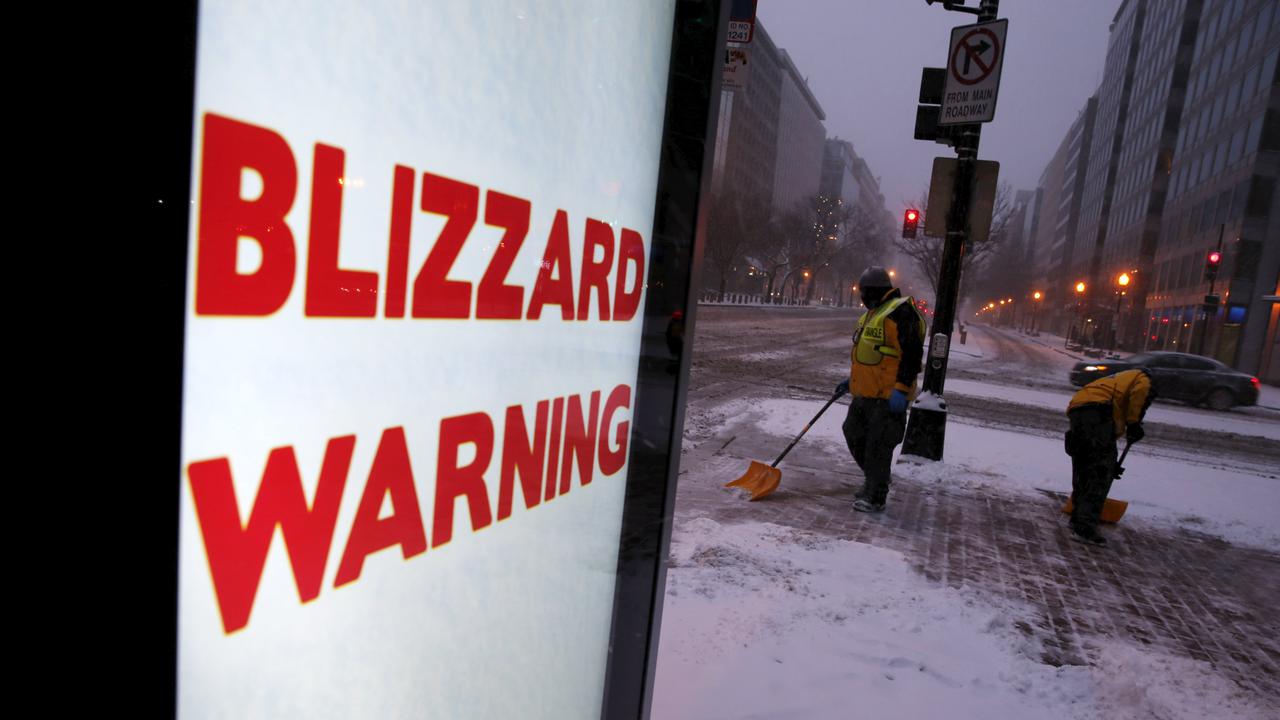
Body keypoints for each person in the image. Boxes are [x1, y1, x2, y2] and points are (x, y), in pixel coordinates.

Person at [836, 266, 925, 513]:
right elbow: (870, 355)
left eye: (863, 291)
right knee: (853, 433)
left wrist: (901, 388)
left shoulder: (901, 312)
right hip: (864, 394)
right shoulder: (873, 314)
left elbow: (912, 355)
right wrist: (851, 381)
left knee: (878, 445)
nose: (861, 296)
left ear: (873, 291)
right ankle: (876, 478)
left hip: (888, 397)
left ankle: (875, 496)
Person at [1064, 367, 1154, 546]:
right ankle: (1085, 528)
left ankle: (1077, 518)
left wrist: (1110, 463)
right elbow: (1139, 395)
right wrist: (1134, 424)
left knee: (1084, 464)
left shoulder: (1120, 378)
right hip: (1099, 411)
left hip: (1078, 407)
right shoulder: (1144, 379)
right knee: (1099, 473)